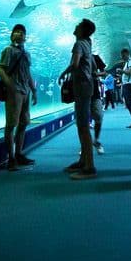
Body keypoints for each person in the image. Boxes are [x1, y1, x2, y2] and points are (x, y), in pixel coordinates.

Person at [0, 23, 38, 171]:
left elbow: (28, 74)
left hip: (25, 91)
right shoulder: (8, 50)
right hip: (14, 91)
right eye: (16, 31)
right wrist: (9, 83)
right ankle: (11, 158)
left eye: (22, 32)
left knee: (24, 122)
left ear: (25, 37)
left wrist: (34, 90)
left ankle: (19, 154)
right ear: (12, 35)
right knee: (11, 124)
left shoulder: (27, 54)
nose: (19, 34)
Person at [59, 19, 98, 180]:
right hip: (86, 87)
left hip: (82, 87)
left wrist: (63, 73)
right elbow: (94, 67)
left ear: (82, 30)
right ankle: (83, 160)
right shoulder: (87, 44)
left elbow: (75, 64)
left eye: (78, 26)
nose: (75, 27)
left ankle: (89, 166)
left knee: (82, 126)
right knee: (82, 124)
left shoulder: (79, 44)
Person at [91, 53, 107, 155]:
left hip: (94, 92)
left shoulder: (95, 57)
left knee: (99, 116)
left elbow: (104, 72)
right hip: (81, 93)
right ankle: (85, 145)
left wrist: (97, 74)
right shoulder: (77, 56)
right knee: (82, 121)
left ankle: (96, 141)